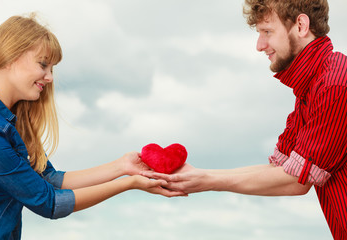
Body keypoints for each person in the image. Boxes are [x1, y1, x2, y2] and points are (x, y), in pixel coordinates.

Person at [142, 0, 347, 239]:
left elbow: (296, 182)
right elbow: (281, 169)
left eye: (267, 32)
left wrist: (206, 182)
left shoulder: (335, 85)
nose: (260, 45)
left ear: (301, 25)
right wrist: (196, 175)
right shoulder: (313, 85)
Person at [0, 14, 184, 240]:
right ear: (10, 55)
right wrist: (129, 184)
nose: (50, 77)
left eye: (52, 68)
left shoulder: (10, 121)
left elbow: (49, 179)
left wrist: (123, 166)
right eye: (43, 64)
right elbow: (49, 202)